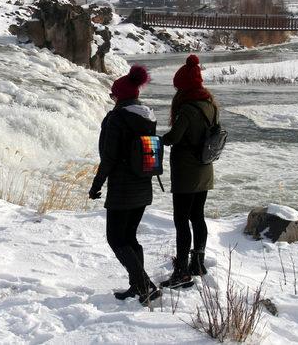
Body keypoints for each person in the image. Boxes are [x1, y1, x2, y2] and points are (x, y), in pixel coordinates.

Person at [88, 65, 161, 305]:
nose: (112, 98)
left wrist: (97, 184)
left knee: (116, 238)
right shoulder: (148, 117)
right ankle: (137, 286)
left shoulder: (117, 118)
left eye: (113, 95)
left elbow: (108, 157)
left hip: (122, 187)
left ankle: (144, 285)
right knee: (129, 237)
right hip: (143, 185)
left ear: (120, 96)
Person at [160, 54, 217, 289]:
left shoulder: (187, 109)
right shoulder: (210, 104)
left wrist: (157, 139)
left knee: (181, 220)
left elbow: (174, 137)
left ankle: (182, 272)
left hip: (187, 172)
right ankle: (198, 263)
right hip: (205, 169)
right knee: (198, 217)